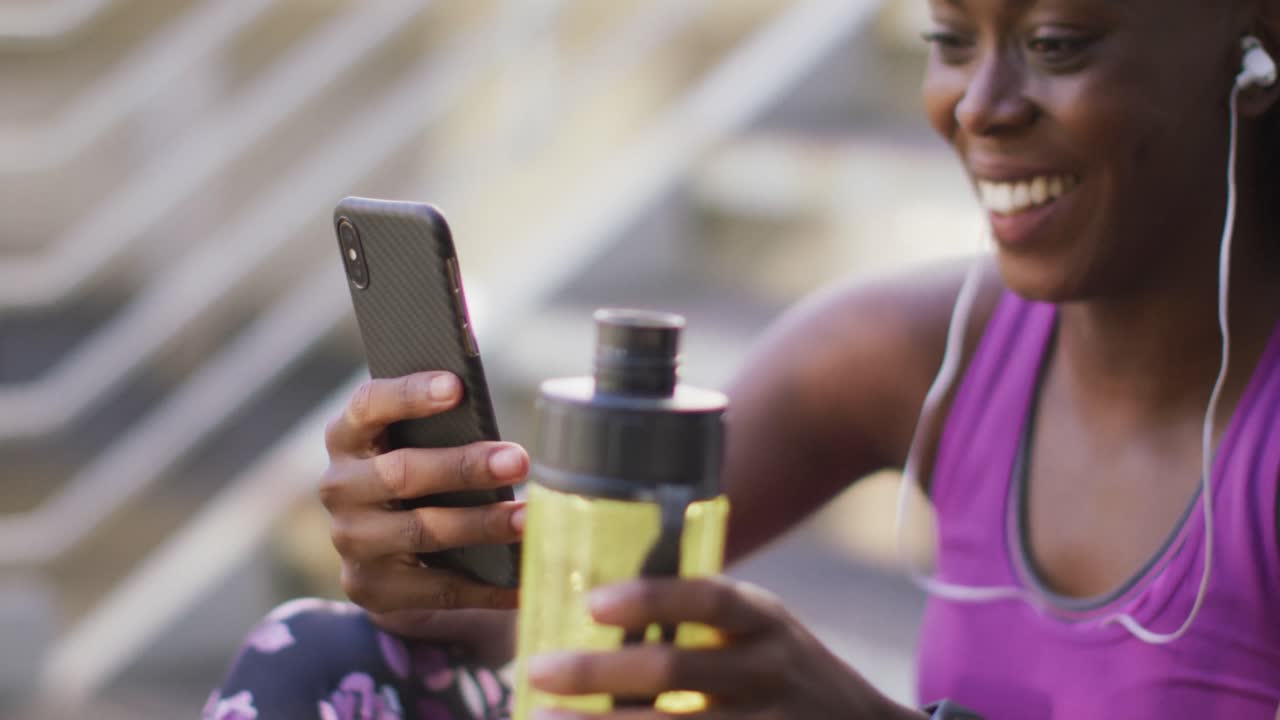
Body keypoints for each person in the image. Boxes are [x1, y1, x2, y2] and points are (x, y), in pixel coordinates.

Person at [207, 0, 1280, 717]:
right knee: (330, 661)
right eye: (948, 39)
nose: (978, 106)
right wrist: (429, 558)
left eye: (1054, 44)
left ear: (1250, 42)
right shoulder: (916, 352)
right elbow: (541, 629)